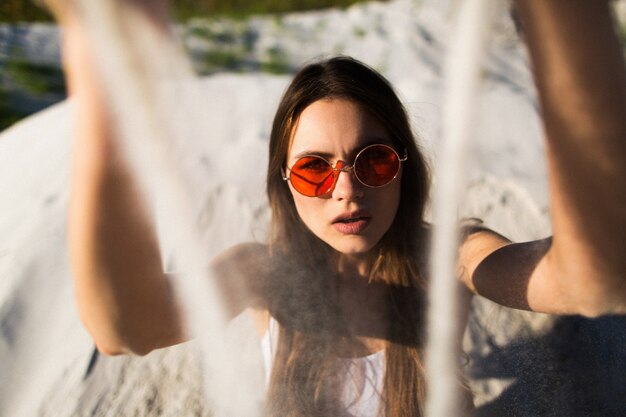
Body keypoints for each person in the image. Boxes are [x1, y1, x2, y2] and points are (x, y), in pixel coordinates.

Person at [45, 0, 626, 416]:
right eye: (314, 168)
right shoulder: (266, 274)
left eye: (372, 162)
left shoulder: (447, 255)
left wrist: (564, 16)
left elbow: (591, 282)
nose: (346, 191)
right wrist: (110, 75)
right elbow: (123, 328)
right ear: (284, 183)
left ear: (403, 165)